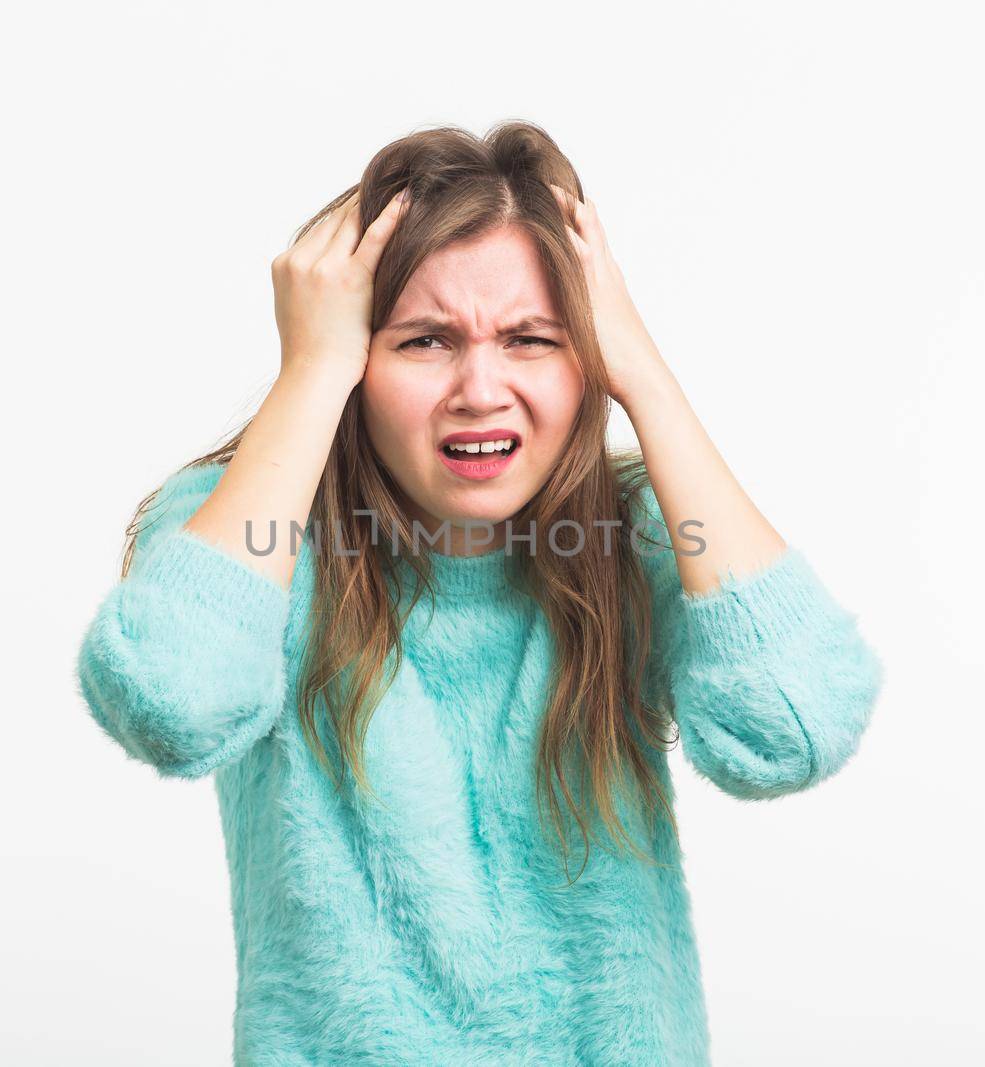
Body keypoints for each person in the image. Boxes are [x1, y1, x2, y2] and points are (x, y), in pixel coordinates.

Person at [75, 121, 884, 1065]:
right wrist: (309, 374)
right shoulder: (255, 524)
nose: (480, 387)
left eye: (532, 338)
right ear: (355, 355)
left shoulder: (635, 531)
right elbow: (171, 701)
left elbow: (798, 727)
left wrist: (648, 380)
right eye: (424, 340)